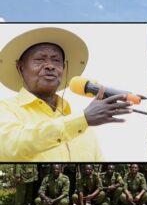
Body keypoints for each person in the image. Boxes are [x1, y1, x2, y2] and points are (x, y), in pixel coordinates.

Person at [0, 27, 133, 161]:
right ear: (20, 67)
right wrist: (83, 119)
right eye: (40, 59)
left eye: (56, 60)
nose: (50, 66)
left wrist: (83, 120)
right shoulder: (6, 108)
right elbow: (10, 146)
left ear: (63, 67)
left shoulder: (84, 125)